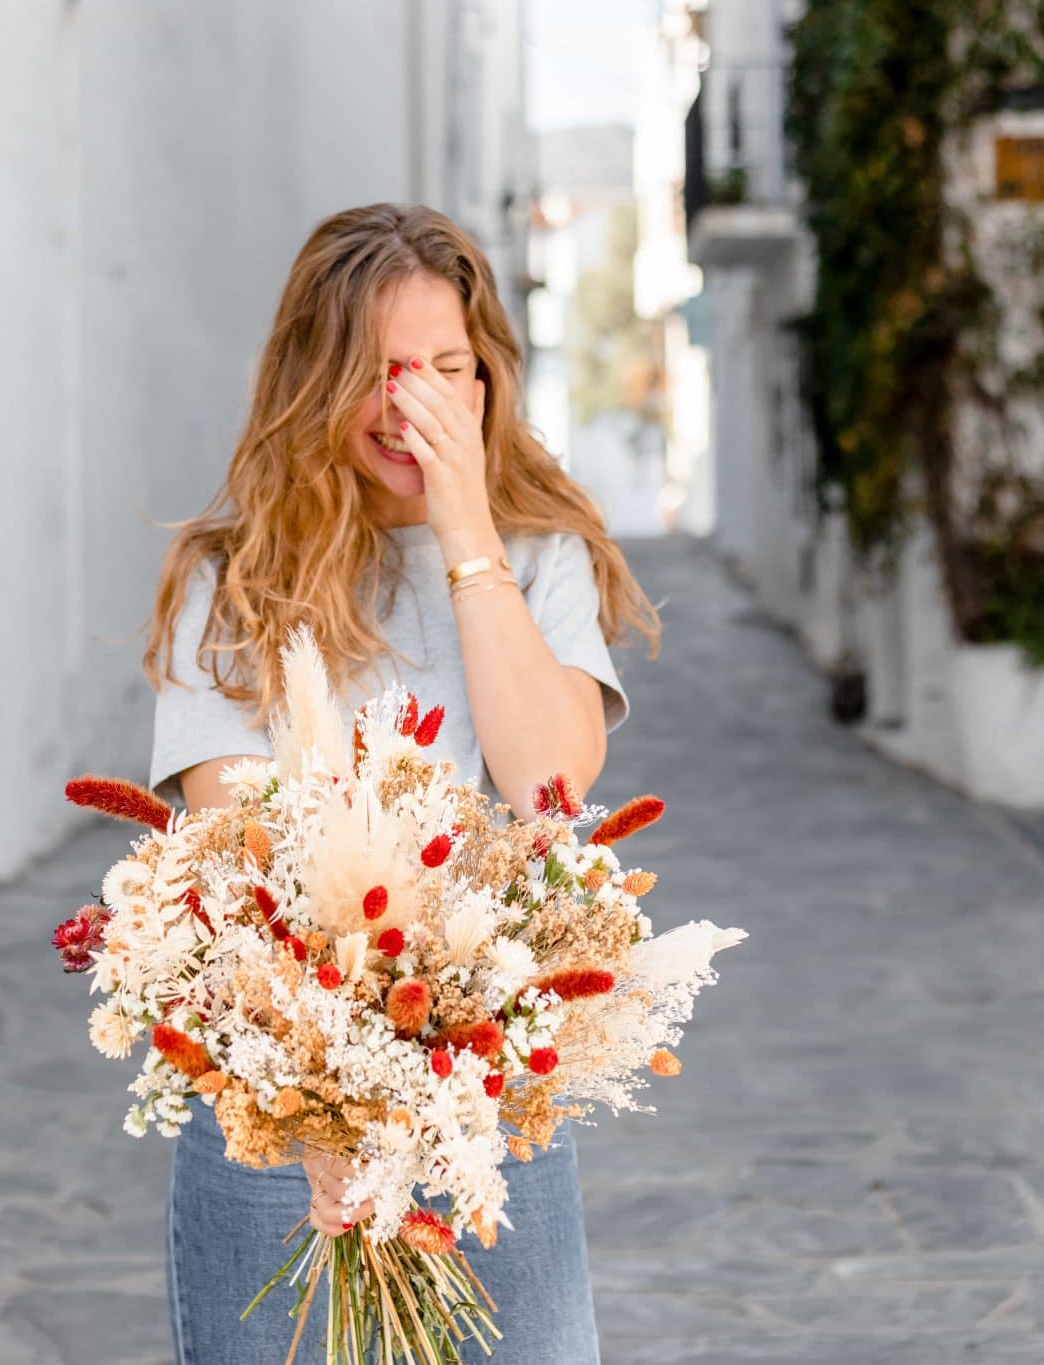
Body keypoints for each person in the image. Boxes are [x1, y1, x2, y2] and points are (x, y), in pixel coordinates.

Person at [141, 202, 660, 1363]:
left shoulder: (537, 558)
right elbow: (244, 863)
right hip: (278, 1115)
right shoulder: (228, 586)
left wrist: (466, 521)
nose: (411, 403)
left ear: (485, 383)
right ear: (313, 378)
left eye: (445, 369)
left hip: (494, 1105)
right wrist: (319, 1106)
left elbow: (548, 784)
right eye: (380, 372)